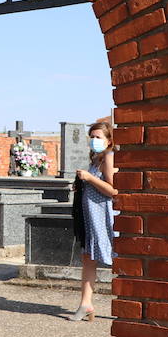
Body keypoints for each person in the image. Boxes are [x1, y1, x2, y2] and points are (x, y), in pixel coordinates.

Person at [69, 121, 117, 322]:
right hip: (91, 219)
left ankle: (127, 304)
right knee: (88, 259)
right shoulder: (96, 159)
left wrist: (89, 178)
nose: (94, 140)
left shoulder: (108, 157)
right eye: (92, 137)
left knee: (114, 258)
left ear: (108, 140)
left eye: (99, 137)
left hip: (103, 217)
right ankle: (85, 304)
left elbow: (113, 190)